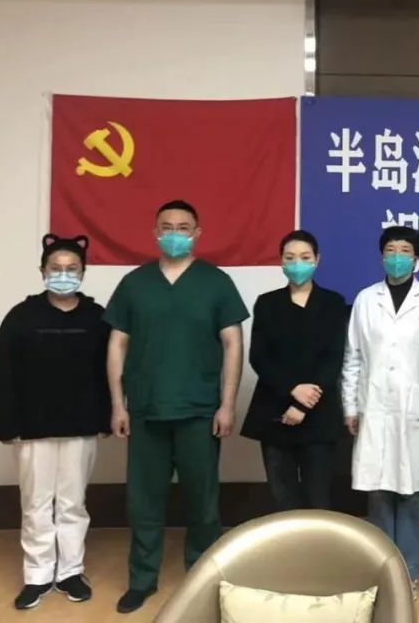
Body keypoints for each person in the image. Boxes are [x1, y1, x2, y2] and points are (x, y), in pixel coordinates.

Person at [105, 200, 249, 614]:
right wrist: (118, 404)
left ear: (197, 233)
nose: (174, 233)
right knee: (143, 502)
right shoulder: (135, 284)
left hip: (199, 410)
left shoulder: (216, 282)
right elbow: (116, 344)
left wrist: (227, 404)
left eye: (183, 227)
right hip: (146, 409)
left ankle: (201, 578)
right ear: (155, 232)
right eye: (167, 227)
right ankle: (141, 580)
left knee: (203, 502)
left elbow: (233, 343)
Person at [0, 234, 110, 610]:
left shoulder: (97, 318)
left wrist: (110, 415)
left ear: (83, 272)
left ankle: (70, 571)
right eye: (55, 268)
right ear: (42, 271)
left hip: (82, 425)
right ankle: (37, 575)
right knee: (36, 502)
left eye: (72, 268)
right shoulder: (21, 317)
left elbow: (110, 371)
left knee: (73, 503)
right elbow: (2, 371)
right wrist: (4, 422)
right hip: (32, 427)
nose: (63, 274)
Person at [342, 225, 419, 597]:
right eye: (391, 250)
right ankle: (383, 572)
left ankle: (409, 572)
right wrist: (351, 405)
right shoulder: (365, 299)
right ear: (382, 256)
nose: (397, 256)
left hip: (414, 407)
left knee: (411, 492)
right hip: (373, 406)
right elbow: (353, 356)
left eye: (405, 250)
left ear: (417, 258)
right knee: (378, 491)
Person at [241, 230, 347, 512]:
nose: (297, 263)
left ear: (317, 260)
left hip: (319, 413)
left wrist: (302, 403)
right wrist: (292, 389)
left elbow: (333, 358)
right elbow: (259, 357)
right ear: (282, 261)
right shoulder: (267, 303)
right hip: (275, 412)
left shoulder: (333, 303)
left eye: (304, 257)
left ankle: (318, 544)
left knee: (318, 497)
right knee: (282, 497)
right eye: (290, 258)